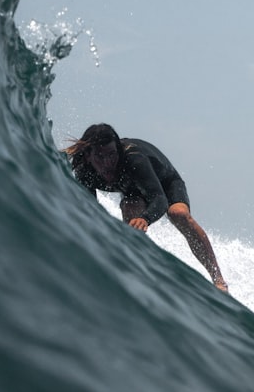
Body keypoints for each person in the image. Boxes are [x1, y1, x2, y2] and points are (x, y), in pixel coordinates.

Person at [64, 124, 228, 292]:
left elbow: (160, 199)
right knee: (130, 207)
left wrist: (145, 219)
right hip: (133, 191)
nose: (107, 163)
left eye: (112, 154)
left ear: (118, 151)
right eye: (100, 156)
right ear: (88, 156)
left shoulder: (134, 159)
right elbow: (90, 209)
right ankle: (134, 270)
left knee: (178, 213)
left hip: (165, 182)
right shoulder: (85, 170)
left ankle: (219, 280)